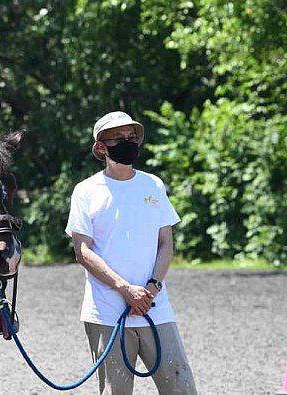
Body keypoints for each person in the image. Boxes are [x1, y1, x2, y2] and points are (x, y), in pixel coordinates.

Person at [65, 111, 197, 394]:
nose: (127, 143)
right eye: (118, 138)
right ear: (101, 147)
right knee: (116, 391)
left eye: (131, 137)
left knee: (181, 386)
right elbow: (83, 251)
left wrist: (152, 287)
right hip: (108, 312)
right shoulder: (85, 191)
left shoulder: (153, 185)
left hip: (155, 306)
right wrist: (125, 289)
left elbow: (166, 243)